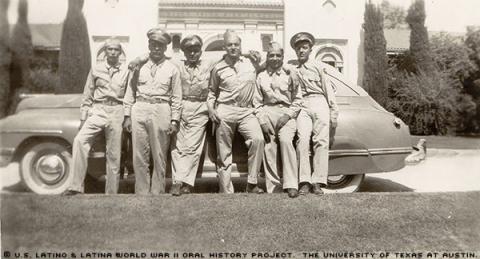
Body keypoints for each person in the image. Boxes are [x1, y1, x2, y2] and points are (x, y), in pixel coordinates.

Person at [63, 38, 129, 195]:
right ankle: (75, 187)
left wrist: (127, 116)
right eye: (109, 49)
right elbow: (87, 95)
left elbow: (129, 96)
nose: (113, 52)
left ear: (120, 53)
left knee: (114, 154)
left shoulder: (127, 71)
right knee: (79, 140)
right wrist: (83, 118)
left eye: (116, 50)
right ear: (105, 52)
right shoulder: (95, 69)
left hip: (117, 111)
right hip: (98, 110)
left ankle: (111, 193)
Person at [123, 27, 182, 195]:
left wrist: (175, 120)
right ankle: (141, 192)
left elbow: (177, 97)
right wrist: (127, 116)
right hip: (140, 108)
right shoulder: (138, 67)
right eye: (153, 44)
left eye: (160, 45)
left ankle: (157, 192)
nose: (156, 48)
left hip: (161, 108)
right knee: (139, 155)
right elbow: (130, 91)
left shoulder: (172, 68)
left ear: (165, 48)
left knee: (159, 154)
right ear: (149, 45)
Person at [207, 30, 265, 194]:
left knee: (258, 139)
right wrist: (211, 109)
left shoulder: (250, 63)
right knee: (223, 152)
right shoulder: (218, 68)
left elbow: (273, 63)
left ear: (240, 46)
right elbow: (211, 93)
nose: (233, 47)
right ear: (224, 47)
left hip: (246, 110)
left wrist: (291, 71)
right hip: (225, 110)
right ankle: (226, 190)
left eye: (236, 44)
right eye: (229, 45)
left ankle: (252, 183)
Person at [168, 35, 219, 196]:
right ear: (183, 51)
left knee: (192, 146)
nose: (193, 54)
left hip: (200, 106)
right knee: (177, 146)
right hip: (181, 105)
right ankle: (177, 181)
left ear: (200, 50)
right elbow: (157, 56)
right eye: (189, 50)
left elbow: (229, 55)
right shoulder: (176, 63)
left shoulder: (209, 63)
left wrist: (250, 55)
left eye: (196, 50)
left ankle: (186, 183)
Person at [290, 32, 339, 195]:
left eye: (305, 48)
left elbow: (328, 91)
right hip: (303, 104)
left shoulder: (319, 66)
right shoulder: (293, 69)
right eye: (298, 48)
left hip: (320, 102)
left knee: (321, 142)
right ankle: (304, 181)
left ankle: (318, 181)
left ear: (310, 49)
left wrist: (333, 114)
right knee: (302, 140)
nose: (301, 51)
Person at [253, 42, 303, 198]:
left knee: (286, 141)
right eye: (271, 55)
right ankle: (274, 186)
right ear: (267, 57)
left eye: (278, 55)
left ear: (283, 57)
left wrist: (288, 115)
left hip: (286, 111)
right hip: (267, 111)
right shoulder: (261, 76)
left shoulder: (291, 74)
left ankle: (291, 185)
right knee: (269, 145)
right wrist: (262, 120)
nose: (274, 58)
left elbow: (298, 100)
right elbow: (257, 102)